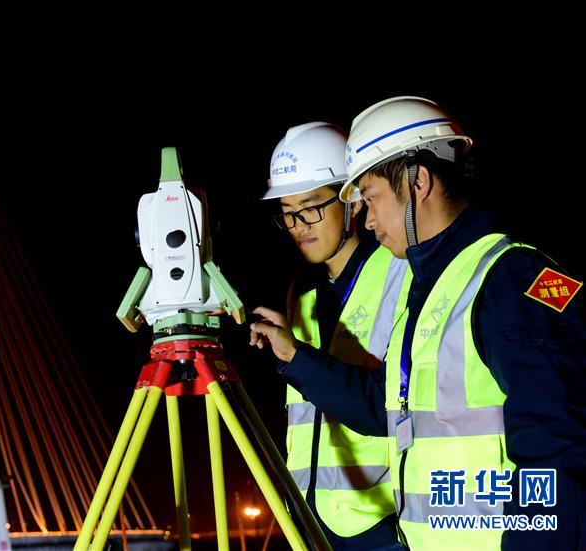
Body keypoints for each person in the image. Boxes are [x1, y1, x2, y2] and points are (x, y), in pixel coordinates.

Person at [251, 97, 586, 549]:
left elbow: (557, 448)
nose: (368, 219)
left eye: (371, 198)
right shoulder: (432, 289)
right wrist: (293, 356)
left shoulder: (514, 278)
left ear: (418, 182)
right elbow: (384, 403)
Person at [258, 122, 407, 549]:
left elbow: (388, 406)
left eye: (310, 208)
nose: (298, 226)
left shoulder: (401, 275)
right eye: (287, 212)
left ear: (354, 201)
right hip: (310, 523)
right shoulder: (300, 297)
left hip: (382, 525)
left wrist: (298, 358)